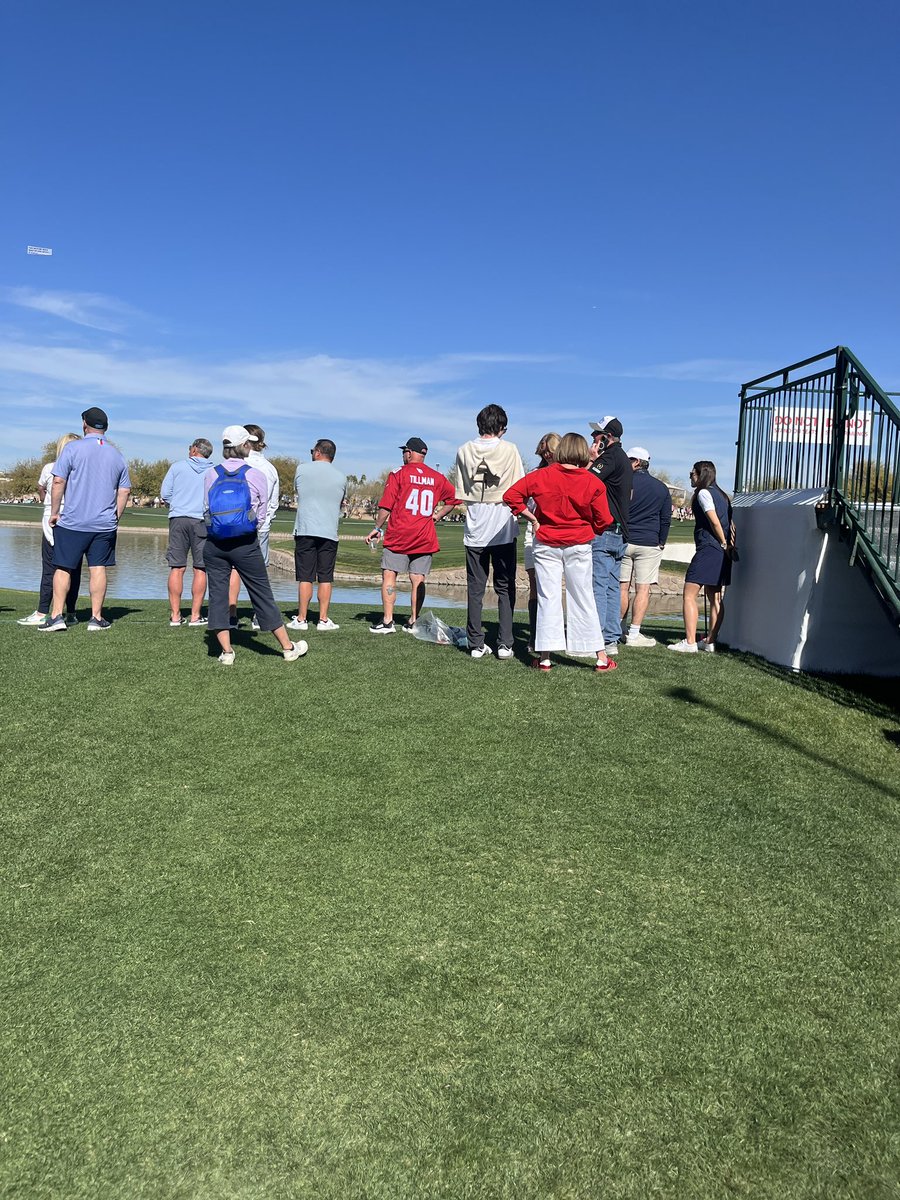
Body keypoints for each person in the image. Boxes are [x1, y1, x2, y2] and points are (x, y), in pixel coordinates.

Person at [503, 433, 616, 672]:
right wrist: (588, 528)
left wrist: (533, 519)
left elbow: (511, 496)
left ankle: (545, 657)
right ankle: (600, 657)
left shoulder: (541, 475)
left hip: (546, 543)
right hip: (578, 544)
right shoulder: (593, 482)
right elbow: (604, 519)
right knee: (583, 597)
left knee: (548, 597)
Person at [203, 426, 307, 666]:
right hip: (246, 543)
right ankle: (287, 647)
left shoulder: (211, 474)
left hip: (215, 542)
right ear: (246, 446)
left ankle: (227, 652)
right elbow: (261, 513)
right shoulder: (255, 474)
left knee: (218, 596)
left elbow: (206, 507)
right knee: (261, 594)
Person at [38, 407, 131, 633]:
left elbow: (58, 481)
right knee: (98, 568)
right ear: (105, 428)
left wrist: (54, 512)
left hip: (73, 522)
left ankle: (57, 616)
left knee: (63, 568)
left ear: (84, 425)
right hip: (103, 524)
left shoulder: (72, 449)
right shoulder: (116, 454)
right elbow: (124, 491)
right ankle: (96, 618)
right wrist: (115, 516)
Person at [365, 438, 457, 633]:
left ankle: (388, 621)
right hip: (424, 536)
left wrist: (377, 527)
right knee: (418, 579)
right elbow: (453, 498)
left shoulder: (399, 473)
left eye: (404, 452)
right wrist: (438, 515)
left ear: (409, 452)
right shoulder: (437, 477)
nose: (403, 455)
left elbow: (386, 505)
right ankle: (414, 620)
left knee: (390, 575)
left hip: (400, 534)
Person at [454, 404, 525, 659]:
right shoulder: (510, 449)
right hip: (502, 526)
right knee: (505, 587)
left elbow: (462, 490)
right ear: (501, 427)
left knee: (475, 587)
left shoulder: (463, 450)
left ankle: (475, 643)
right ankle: (505, 643)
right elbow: (519, 488)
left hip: (475, 525)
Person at [18, 433, 82, 626]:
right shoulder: (82, 471)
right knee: (73, 568)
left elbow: (42, 487)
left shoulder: (51, 467)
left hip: (54, 516)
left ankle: (43, 610)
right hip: (76, 518)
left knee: (50, 567)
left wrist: (48, 500)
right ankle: (70, 612)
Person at [669, 460, 734, 654]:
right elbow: (731, 523)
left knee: (689, 593)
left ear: (701, 474)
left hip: (710, 548)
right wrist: (727, 545)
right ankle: (710, 642)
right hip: (721, 550)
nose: (690, 475)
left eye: (692, 473)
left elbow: (714, 521)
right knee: (715, 596)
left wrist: (722, 542)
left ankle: (690, 642)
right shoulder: (723, 495)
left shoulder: (704, 493)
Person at [290, 438, 346, 632]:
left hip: (306, 529)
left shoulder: (302, 469)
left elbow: (298, 490)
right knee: (325, 577)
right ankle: (323, 619)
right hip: (329, 531)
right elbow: (340, 501)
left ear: (317, 453)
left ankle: (302, 618)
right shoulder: (341, 477)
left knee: (305, 576)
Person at [228, 423, 280, 630]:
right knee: (259, 574)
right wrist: (263, 523)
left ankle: (231, 616)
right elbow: (272, 503)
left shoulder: (234, 465)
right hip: (259, 528)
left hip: (233, 526)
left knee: (234, 570)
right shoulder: (269, 468)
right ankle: (260, 616)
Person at [619, 446, 672, 648]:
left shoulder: (624, 482)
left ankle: (618, 629)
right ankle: (633, 634)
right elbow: (665, 518)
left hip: (624, 539)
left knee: (622, 587)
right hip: (649, 543)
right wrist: (662, 541)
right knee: (643, 589)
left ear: (636, 462)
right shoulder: (660, 487)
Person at [587, 415, 631, 656]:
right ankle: (610, 639)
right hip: (619, 532)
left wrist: (592, 460)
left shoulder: (611, 457)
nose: (593, 438)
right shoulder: (622, 458)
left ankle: (599, 639)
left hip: (605, 531)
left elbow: (585, 482)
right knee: (612, 587)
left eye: (597, 435)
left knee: (599, 586)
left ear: (607, 437)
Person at [160, 437, 213, 627]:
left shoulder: (177, 467)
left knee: (177, 567)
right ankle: (195, 616)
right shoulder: (213, 470)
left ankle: (175, 616)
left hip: (178, 519)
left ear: (194, 450)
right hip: (202, 520)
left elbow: (165, 494)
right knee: (200, 568)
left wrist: (178, 503)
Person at [522, 433, 560, 651]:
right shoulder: (535, 474)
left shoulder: (570, 472)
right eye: (543, 451)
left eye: (550, 451)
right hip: (535, 531)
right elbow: (520, 500)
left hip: (558, 533)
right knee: (535, 584)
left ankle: (552, 635)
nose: (546, 455)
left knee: (552, 587)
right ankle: (535, 636)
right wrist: (532, 518)